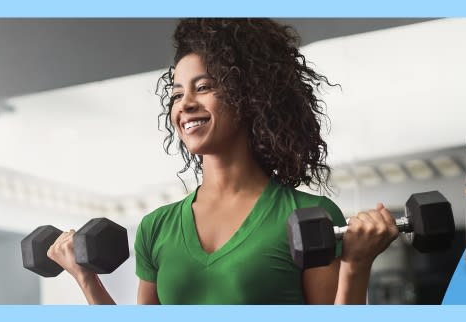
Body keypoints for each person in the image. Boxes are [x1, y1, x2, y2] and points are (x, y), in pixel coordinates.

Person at [45, 18, 402, 305]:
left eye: (203, 87)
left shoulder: (309, 217)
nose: (185, 104)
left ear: (250, 96)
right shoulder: (156, 227)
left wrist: (356, 265)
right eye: (177, 94)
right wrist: (86, 278)